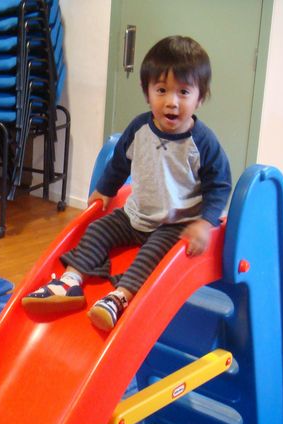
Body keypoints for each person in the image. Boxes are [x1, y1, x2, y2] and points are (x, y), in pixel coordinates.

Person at [22, 35, 232, 332]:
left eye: (184, 92)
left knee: (152, 254)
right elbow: (120, 162)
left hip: (174, 223)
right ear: (147, 93)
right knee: (97, 229)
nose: (171, 102)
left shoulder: (203, 142)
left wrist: (205, 222)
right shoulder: (139, 128)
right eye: (161, 90)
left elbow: (220, 185)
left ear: (199, 98)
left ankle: (119, 298)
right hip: (136, 215)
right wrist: (105, 190)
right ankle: (70, 282)